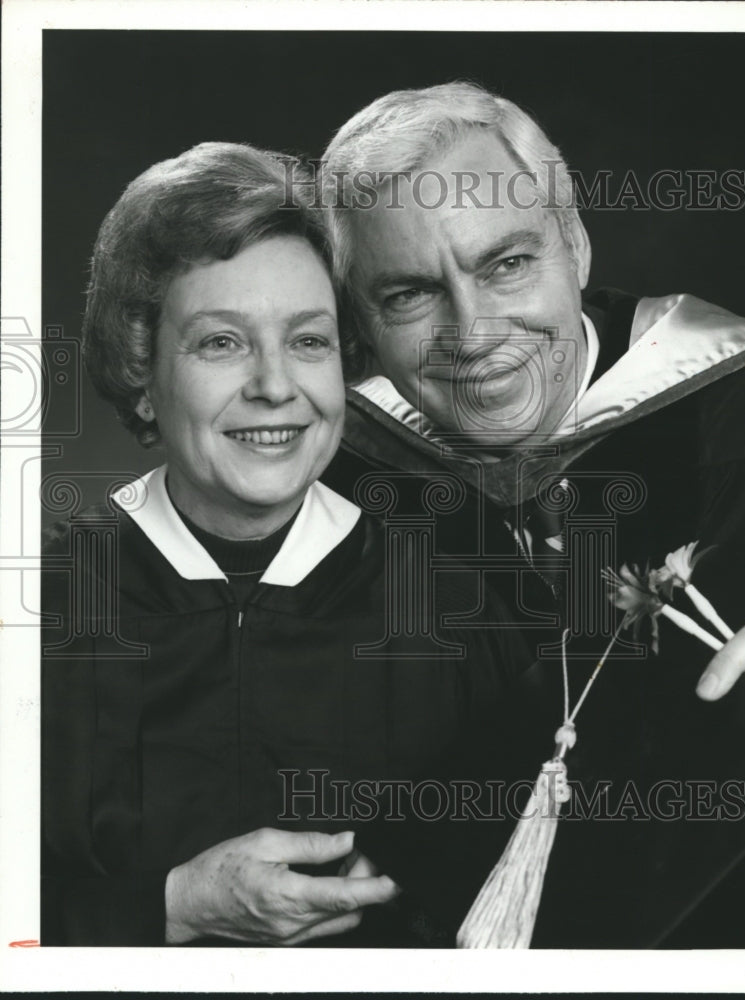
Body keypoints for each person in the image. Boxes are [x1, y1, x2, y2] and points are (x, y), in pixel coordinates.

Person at [40, 141, 532, 947]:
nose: (275, 386)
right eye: (221, 342)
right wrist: (166, 908)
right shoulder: (42, 611)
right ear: (142, 372)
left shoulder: (466, 604)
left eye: (308, 340)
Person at [317, 82, 745, 947]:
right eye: (410, 294)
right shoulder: (332, 469)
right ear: (363, 322)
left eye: (507, 263)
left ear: (576, 244)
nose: (473, 332)